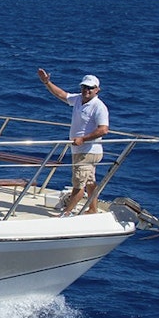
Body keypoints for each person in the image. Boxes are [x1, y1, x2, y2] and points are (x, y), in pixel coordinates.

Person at [37, 69, 109, 215]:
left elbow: (103, 130)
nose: (86, 90)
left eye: (90, 88)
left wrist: (83, 139)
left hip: (87, 151)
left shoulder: (99, 106)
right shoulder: (78, 99)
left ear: (97, 90)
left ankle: (67, 213)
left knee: (78, 185)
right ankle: (93, 209)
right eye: (84, 87)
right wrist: (46, 82)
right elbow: (61, 94)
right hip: (80, 150)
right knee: (89, 182)